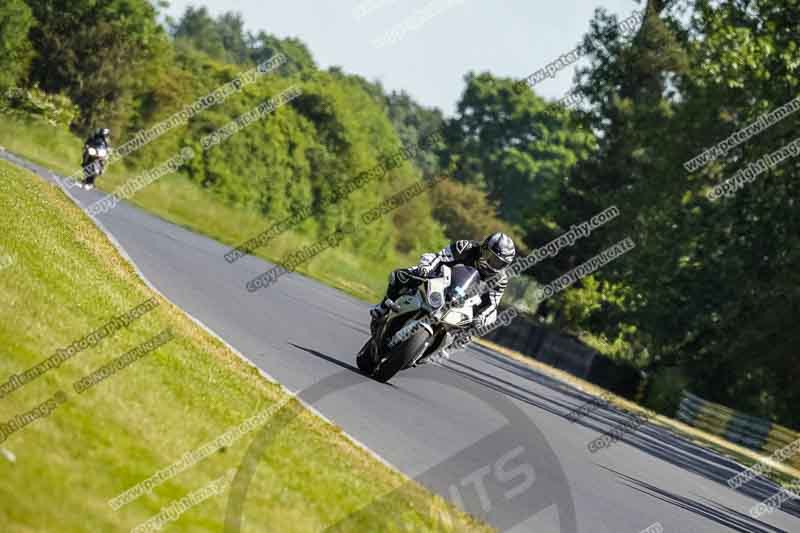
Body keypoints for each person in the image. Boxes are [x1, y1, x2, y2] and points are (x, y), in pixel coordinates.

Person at [370, 232, 516, 360]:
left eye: (499, 263)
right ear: (484, 248)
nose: (493, 264)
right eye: (492, 258)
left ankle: (449, 346)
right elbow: (440, 257)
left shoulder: (500, 278)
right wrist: (426, 269)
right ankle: (383, 307)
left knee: (487, 320)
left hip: (467, 300)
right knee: (401, 276)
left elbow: (492, 304)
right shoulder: (465, 247)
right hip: (443, 280)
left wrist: (481, 317)